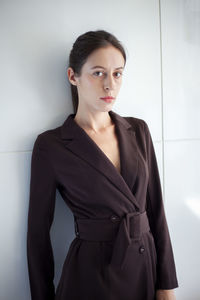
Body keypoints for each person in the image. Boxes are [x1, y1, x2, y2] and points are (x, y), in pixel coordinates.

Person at [27, 30, 178, 300]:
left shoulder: (138, 130)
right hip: (91, 277)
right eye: (98, 73)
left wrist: (166, 285)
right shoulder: (52, 146)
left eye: (117, 73)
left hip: (145, 269)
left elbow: (157, 212)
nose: (110, 85)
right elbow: (38, 236)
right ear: (73, 76)